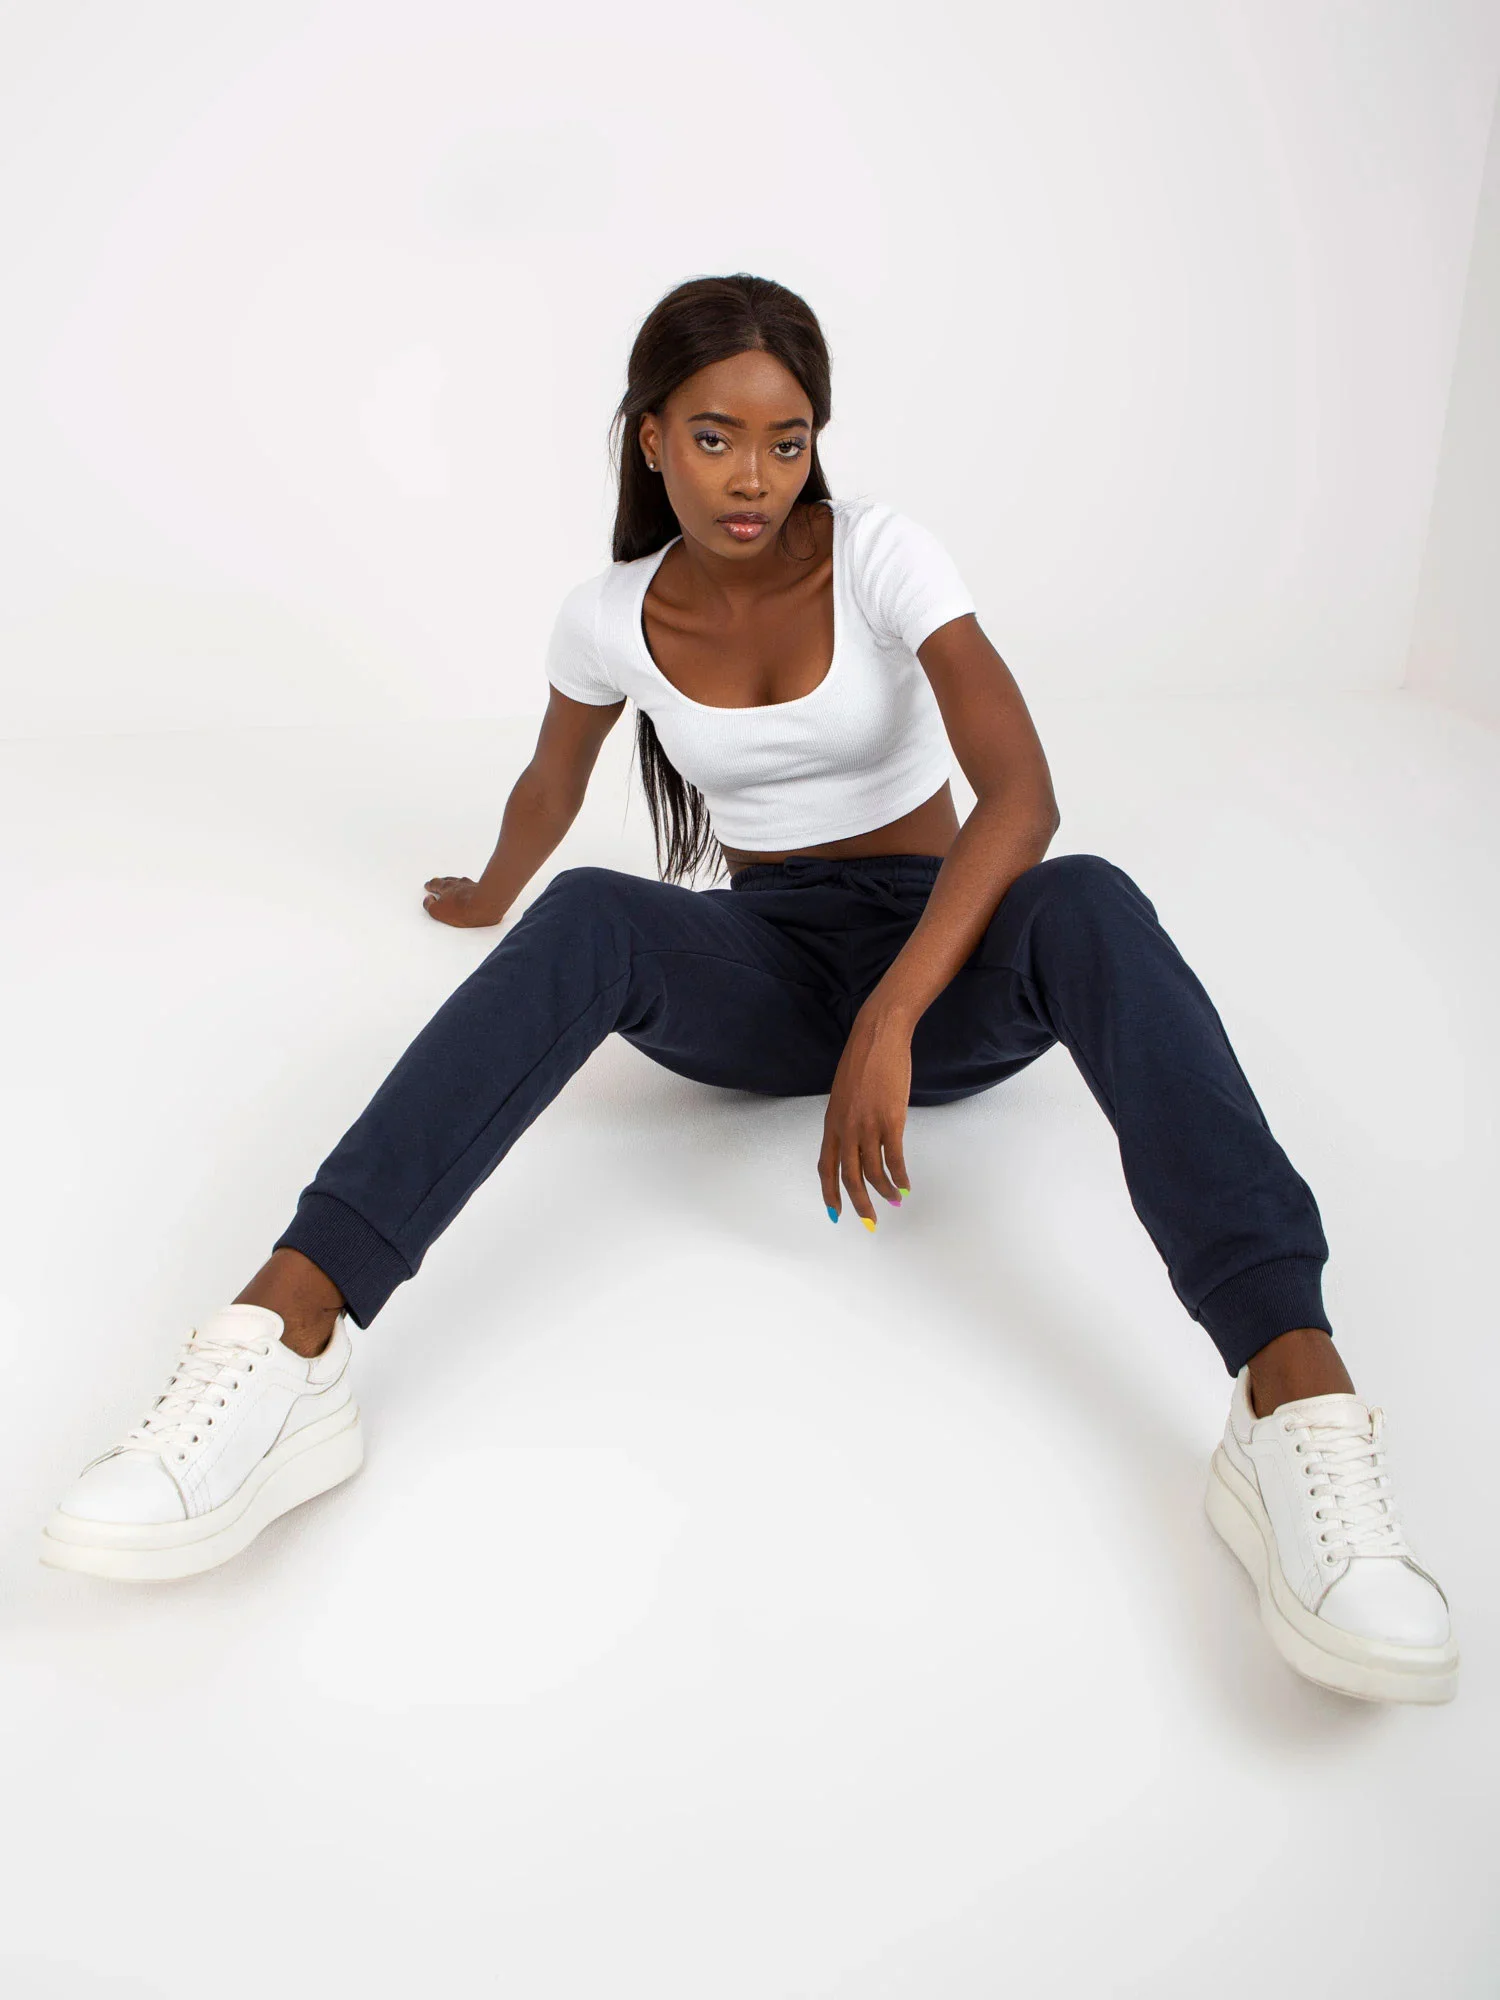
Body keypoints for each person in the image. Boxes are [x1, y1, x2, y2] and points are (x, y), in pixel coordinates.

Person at [39, 273, 1457, 1706]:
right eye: (716, 438)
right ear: (651, 436)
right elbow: (551, 783)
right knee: (592, 912)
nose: (754, 478)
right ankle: (287, 1340)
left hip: (943, 962)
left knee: (1087, 898)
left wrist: (894, 1017)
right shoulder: (607, 618)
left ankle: (1291, 1396)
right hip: (766, 969)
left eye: (788, 442)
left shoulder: (883, 555)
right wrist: (490, 891)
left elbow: (1021, 795)